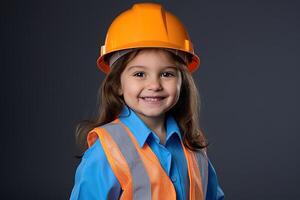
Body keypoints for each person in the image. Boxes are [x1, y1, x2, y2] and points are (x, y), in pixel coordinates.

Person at [70, 2, 224, 200]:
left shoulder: (193, 145)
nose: (154, 85)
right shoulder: (106, 152)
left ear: (182, 82)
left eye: (167, 74)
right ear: (117, 84)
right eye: (140, 74)